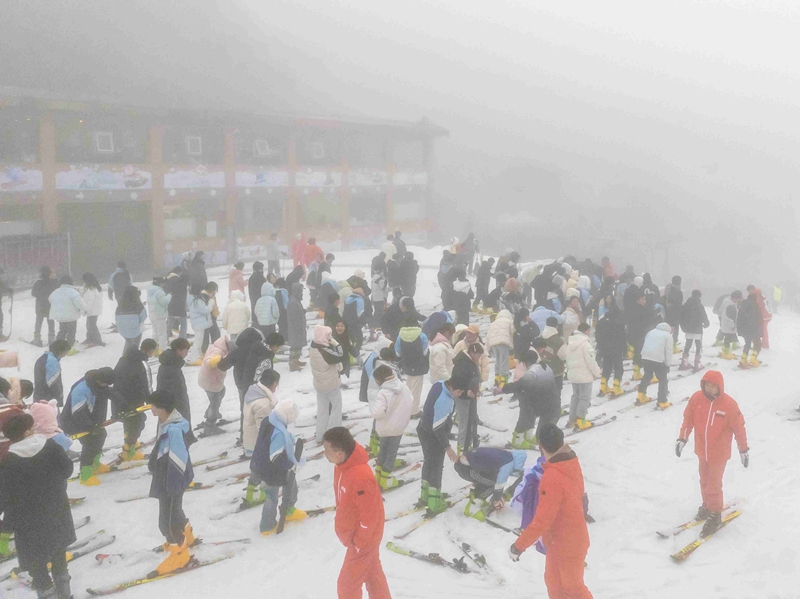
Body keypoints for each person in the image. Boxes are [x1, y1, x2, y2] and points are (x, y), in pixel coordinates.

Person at [509, 423, 593, 599]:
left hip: (569, 543)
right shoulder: (569, 461)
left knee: (573, 589)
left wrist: (518, 546)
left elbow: (543, 520)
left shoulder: (552, 477)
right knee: (554, 584)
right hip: (557, 541)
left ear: (540, 445)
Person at [0, 413, 76, 599]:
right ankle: (64, 590)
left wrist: (5, 524)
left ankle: (45, 590)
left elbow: (5, 494)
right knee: (58, 550)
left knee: (35, 558)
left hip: (26, 518)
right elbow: (67, 470)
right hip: (56, 508)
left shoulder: (9, 460)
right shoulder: (50, 445)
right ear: (27, 432)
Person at [676, 370, 749, 537]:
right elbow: (688, 419)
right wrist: (682, 439)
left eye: (713, 386)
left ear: (720, 386)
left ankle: (715, 514)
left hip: (719, 453)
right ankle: (708, 506)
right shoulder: (696, 399)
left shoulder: (729, 405)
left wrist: (743, 449)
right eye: (707, 385)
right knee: (704, 481)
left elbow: (739, 428)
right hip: (702, 450)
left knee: (714, 484)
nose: (710, 388)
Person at [322, 426, 392, 599]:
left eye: (327, 450)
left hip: (364, 540)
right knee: (373, 575)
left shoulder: (360, 477)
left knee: (347, 585)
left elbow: (371, 515)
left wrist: (360, 542)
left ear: (339, 453)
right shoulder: (342, 466)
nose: (325, 454)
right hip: (358, 537)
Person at [147, 390, 196, 576]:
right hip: (166, 476)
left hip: (171, 480)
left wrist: (173, 485)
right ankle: (186, 537)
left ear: (161, 408)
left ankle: (179, 554)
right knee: (175, 512)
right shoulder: (167, 422)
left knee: (167, 522)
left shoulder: (173, 429)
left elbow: (178, 458)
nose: (150, 409)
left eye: (153, 406)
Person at [250, 399, 306, 534]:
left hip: (260, 462)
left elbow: (268, 440)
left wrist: (287, 438)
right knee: (271, 497)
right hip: (270, 470)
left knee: (291, 483)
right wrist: (290, 465)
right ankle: (267, 526)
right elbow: (275, 456)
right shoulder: (279, 432)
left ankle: (289, 509)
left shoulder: (270, 419)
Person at [58, 367, 117, 486]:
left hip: (89, 420)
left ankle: (95, 465)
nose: (106, 386)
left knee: (101, 435)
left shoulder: (98, 383)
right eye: (105, 384)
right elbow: (78, 412)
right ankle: (85, 474)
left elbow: (111, 393)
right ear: (99, 381)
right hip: (73, 421)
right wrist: (90, 426)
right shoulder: (81, 389)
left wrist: (126, 406)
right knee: (91, 442)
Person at [417, 378, 460, 514]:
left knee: (429, 462)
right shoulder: (445, 401)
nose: (459, 395)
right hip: (433, 435)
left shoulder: (439, 384)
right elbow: (438, 429)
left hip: (423, 428)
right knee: (436, 466)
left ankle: (425, 495)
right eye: (459, 392)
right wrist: (448, 448)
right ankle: (434, 501)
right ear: (453, 388)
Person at [369, 365, 413, 491]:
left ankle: (380, 476)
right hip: (398, 427)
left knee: (383, 450)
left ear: (379, 379)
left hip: (385, 427)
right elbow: (411, 400)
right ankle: (385, 477)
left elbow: (378, 412)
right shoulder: (403, 386)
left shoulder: (384, 392)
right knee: (391, 452)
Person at [113, 338, 156, 461]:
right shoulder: (142, 364)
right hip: (134, 400)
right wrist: (152, 401)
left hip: (119, 398)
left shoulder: (123, 358)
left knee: (128, 421)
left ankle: (130, 441)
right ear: (150, 351)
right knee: (138, 422)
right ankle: (129, 451)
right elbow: (147, 385)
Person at [455, 448, 527, 521]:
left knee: (488, 480)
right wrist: (497, 499)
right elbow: (500, 483)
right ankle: (474, 505)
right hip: (467, 468)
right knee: (493, 484)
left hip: (463, 465)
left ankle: (476, 495)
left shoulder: (504, 456)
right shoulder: (508, 463)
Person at [310, 325, 344, 443]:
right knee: (336, 408)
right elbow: (340, 356)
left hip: (319, 384)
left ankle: (320, 435)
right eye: (328, 336)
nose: (330, 338)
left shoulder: (313, 346)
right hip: (331, 384)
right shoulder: (324, 351)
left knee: (322, 410)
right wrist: (337, 345)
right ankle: (335, 435)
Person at [157, 338, 196, 439]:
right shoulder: (172, 367)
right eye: (186, 350)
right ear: (178, 351)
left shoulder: (169, 363)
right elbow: (175, 389)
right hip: (175, 404)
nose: (187, 353)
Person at [565, 323, 601, 429]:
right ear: (585, 331)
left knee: (575, 396)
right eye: (588, 331)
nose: (589, 333)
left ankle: (572, 419)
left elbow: (567, 359)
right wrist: (597, 373)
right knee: (585, 398)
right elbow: (591, 362)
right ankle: (581, 420)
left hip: (573, 375)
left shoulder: (570, 343)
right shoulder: (585, 344)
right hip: (584, 376)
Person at [451, 343, 483, 453]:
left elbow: (473, 378)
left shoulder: (471, 363)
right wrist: (466, 392)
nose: (479, 358)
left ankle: (470, 443)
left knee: (471, 420)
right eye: (478, 355)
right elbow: (456, 383)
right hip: (463, 398)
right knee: (464, 423)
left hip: (471, 398)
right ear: (472, 353)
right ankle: (462, 448)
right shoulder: (462, 364)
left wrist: (476, 390)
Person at [243, 369, 280, 459]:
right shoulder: (263, 404)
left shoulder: (254, 391)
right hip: (257, 446)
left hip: (249, 440)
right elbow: (263, 429)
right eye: (277, 384)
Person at [394, 323, 429, 417]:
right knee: (416, 389)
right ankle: (414, 411)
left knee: (408, 387)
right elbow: (425, 352)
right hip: (419, 365)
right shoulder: (422, 336)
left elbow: (397, 353)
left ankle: (406, 408)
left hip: (406, 365)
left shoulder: (400, 336)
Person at [197, 336, 230, 435]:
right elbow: (208, 361)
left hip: (209, 379)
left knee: (222, 391)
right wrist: (213, 362)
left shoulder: (218, 347)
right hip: (211, 381)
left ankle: (209, 414)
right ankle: (210, 425)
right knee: (215, 403)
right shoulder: (218, 351)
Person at [594, 295, 626, 398]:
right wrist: (624, 349)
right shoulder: (618, 323)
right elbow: (622, 336)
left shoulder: (601, 322)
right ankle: (616, 387)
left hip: (604, 348)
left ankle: (603, 386)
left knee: (607, 366)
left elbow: (597, 335)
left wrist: (600, 346)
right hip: (616, 348)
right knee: (618, 367)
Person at [638, 321, 673, 409]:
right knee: (663, 379)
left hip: (645, 357)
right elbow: (668, 351)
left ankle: (641, 395)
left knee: (647, 375)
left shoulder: (651, 332)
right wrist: (667, 364)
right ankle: (662, 401)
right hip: (658, 360)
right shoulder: (667, 336)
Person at [48, 276, 85, 348]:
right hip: (71, 316)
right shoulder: (73, 292)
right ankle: (70, 346)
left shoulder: (55, 291)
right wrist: (84, 310)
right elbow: (79, 304)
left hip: (60, 316)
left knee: (62, 330)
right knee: (71, 332)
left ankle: (58, 345)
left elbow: (50, 299)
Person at [679, 290, 710, 372]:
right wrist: (706, 323)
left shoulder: (686, 305)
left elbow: (681, 315)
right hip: (697, 329)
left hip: (688, 329)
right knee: (698, 346)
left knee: (688, 345)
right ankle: (697, 364)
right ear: (699, 296)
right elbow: (704, 316)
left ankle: (684, 363)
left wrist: (683, 326)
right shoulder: (699, 305)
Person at [33, 340, 70, 406]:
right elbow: (53, 382)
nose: (66, 354)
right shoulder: (52, 361)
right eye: (66, 351)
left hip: (39, 396)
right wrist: (59, 397)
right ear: (60, 351)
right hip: (48, 399)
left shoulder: (43, 358)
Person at [115, 285, 147, 355]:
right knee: (134, 345)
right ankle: (133, 358)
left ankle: (125, 356)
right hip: (135, 331)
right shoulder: (138, 305)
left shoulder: (120, 306)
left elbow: (116, 318)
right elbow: (143, 317)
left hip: (123, 330)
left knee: (128, 342)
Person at [32, 266, 59, 347]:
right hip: (50, 305)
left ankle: (37, 338)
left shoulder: (38, 283)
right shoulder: (54, 282)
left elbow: (33, 293)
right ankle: (51, 337)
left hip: (40, 305)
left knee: (39, 321)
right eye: (51, 272)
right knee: (50, 321)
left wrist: (41, 295)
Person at [487, 309, 515, 387]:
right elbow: (512, 332)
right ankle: (503, 382)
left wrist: (487, 348)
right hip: (503, 342)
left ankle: (497, 378)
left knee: (498, 360)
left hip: (494, 344)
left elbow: (488, 336)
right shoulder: (509, 322)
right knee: (504, 361)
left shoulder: (494, 323)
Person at [736, 288, 763, 368]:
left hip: (744, 329)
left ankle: (743, 360)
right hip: (754, 329)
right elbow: (759, 319)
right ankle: (753, 359)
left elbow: (739, 317)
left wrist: (739, 329)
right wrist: (761, 331)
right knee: (757, 344)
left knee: (747, 344)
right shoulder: (755, 305)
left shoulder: (742, 305)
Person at [186, 285, 212, 365]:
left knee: (199, 341)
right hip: (200, 323)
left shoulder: (192, 300)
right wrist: (210, 304)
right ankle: (193, 358)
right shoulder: (198, 301)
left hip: (196, 323)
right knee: (198, 341)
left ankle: (198, 356)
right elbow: (206, 310)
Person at [286, 283, 307, 372]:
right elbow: (294, 316)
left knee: (298, 345)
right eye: (300, 291)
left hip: (298, 327)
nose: (301, 293)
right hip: (295, 328)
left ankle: (296, 360)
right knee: (295, 346)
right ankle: (293, 363)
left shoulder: (296, 300)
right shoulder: (293, 302)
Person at [147, 277, 171, 352]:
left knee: (155, 333)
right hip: (159, 314)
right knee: (162, 332)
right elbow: (165, 302)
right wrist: (169, 295)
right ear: (161, 283)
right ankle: (163, 348)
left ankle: (154, 348)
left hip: (152, 314)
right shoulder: (159, 292)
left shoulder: (150, 291)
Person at [165, 266, 190, 341]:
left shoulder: (167, 280)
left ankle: (165, 338)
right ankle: (182, 339)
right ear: (179, 272)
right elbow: (182, 295)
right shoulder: (179, 281)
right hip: (179, 306)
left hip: (170, 305)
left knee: (169, 323)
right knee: (183, 323)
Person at [717, 290, 742, 360]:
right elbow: (730, 318)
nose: (739, 300)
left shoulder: (727, 302)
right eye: (739, 298)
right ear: (736, 298)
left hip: (725, 325)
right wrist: (732, 326)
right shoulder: (731, 306)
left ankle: (725, 352)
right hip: (729, 327)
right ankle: (726, 353)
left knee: (727, 339)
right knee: (728, 340)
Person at [664, 275, 684, 350]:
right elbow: (679, 304)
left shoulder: (668, 289)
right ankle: (673, 346)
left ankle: (665, 344)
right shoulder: (678, 292)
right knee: (675, 330)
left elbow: (665, 299)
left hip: (667, 313)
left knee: (667, 330)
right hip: (675, 314)